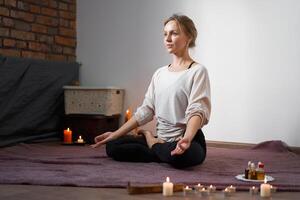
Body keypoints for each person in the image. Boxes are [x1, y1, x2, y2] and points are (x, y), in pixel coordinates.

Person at [92, 14, 211, 169]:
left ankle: (152, 144)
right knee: (112, 145)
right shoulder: (160, 73)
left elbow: (197, 110)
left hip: (188, 139)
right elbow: (146, 110)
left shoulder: (197, 71)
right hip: (162, 139)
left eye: (174, 33)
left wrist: (187, 139)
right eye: (165, 34)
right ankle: (157, 146)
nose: (167, 38)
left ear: (189, 37)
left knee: (181, 156)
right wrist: (115, 134)